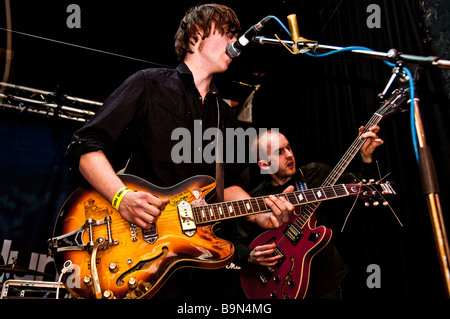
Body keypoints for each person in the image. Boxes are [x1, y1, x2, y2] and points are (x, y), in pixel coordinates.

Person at [64, 3, 293, 298]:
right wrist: (122, 198)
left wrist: (260, 215)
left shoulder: (225, 114)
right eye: (225, 33)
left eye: (236, 34)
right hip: (135, 247)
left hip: (192, 261)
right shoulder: (149, 84)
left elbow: (230, 186)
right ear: (195, 35)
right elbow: (84, 146)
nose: (234, 42)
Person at [226, 126, 384, 299]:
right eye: (279, 152)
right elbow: (233, 243)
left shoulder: (314, 173)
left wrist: (366, 158)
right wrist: (250, 255)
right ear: (264, 164)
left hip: (327, 283)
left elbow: (360, 189)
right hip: (283, 287)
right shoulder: (257, 197)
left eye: (289, 147)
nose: (289, 155)